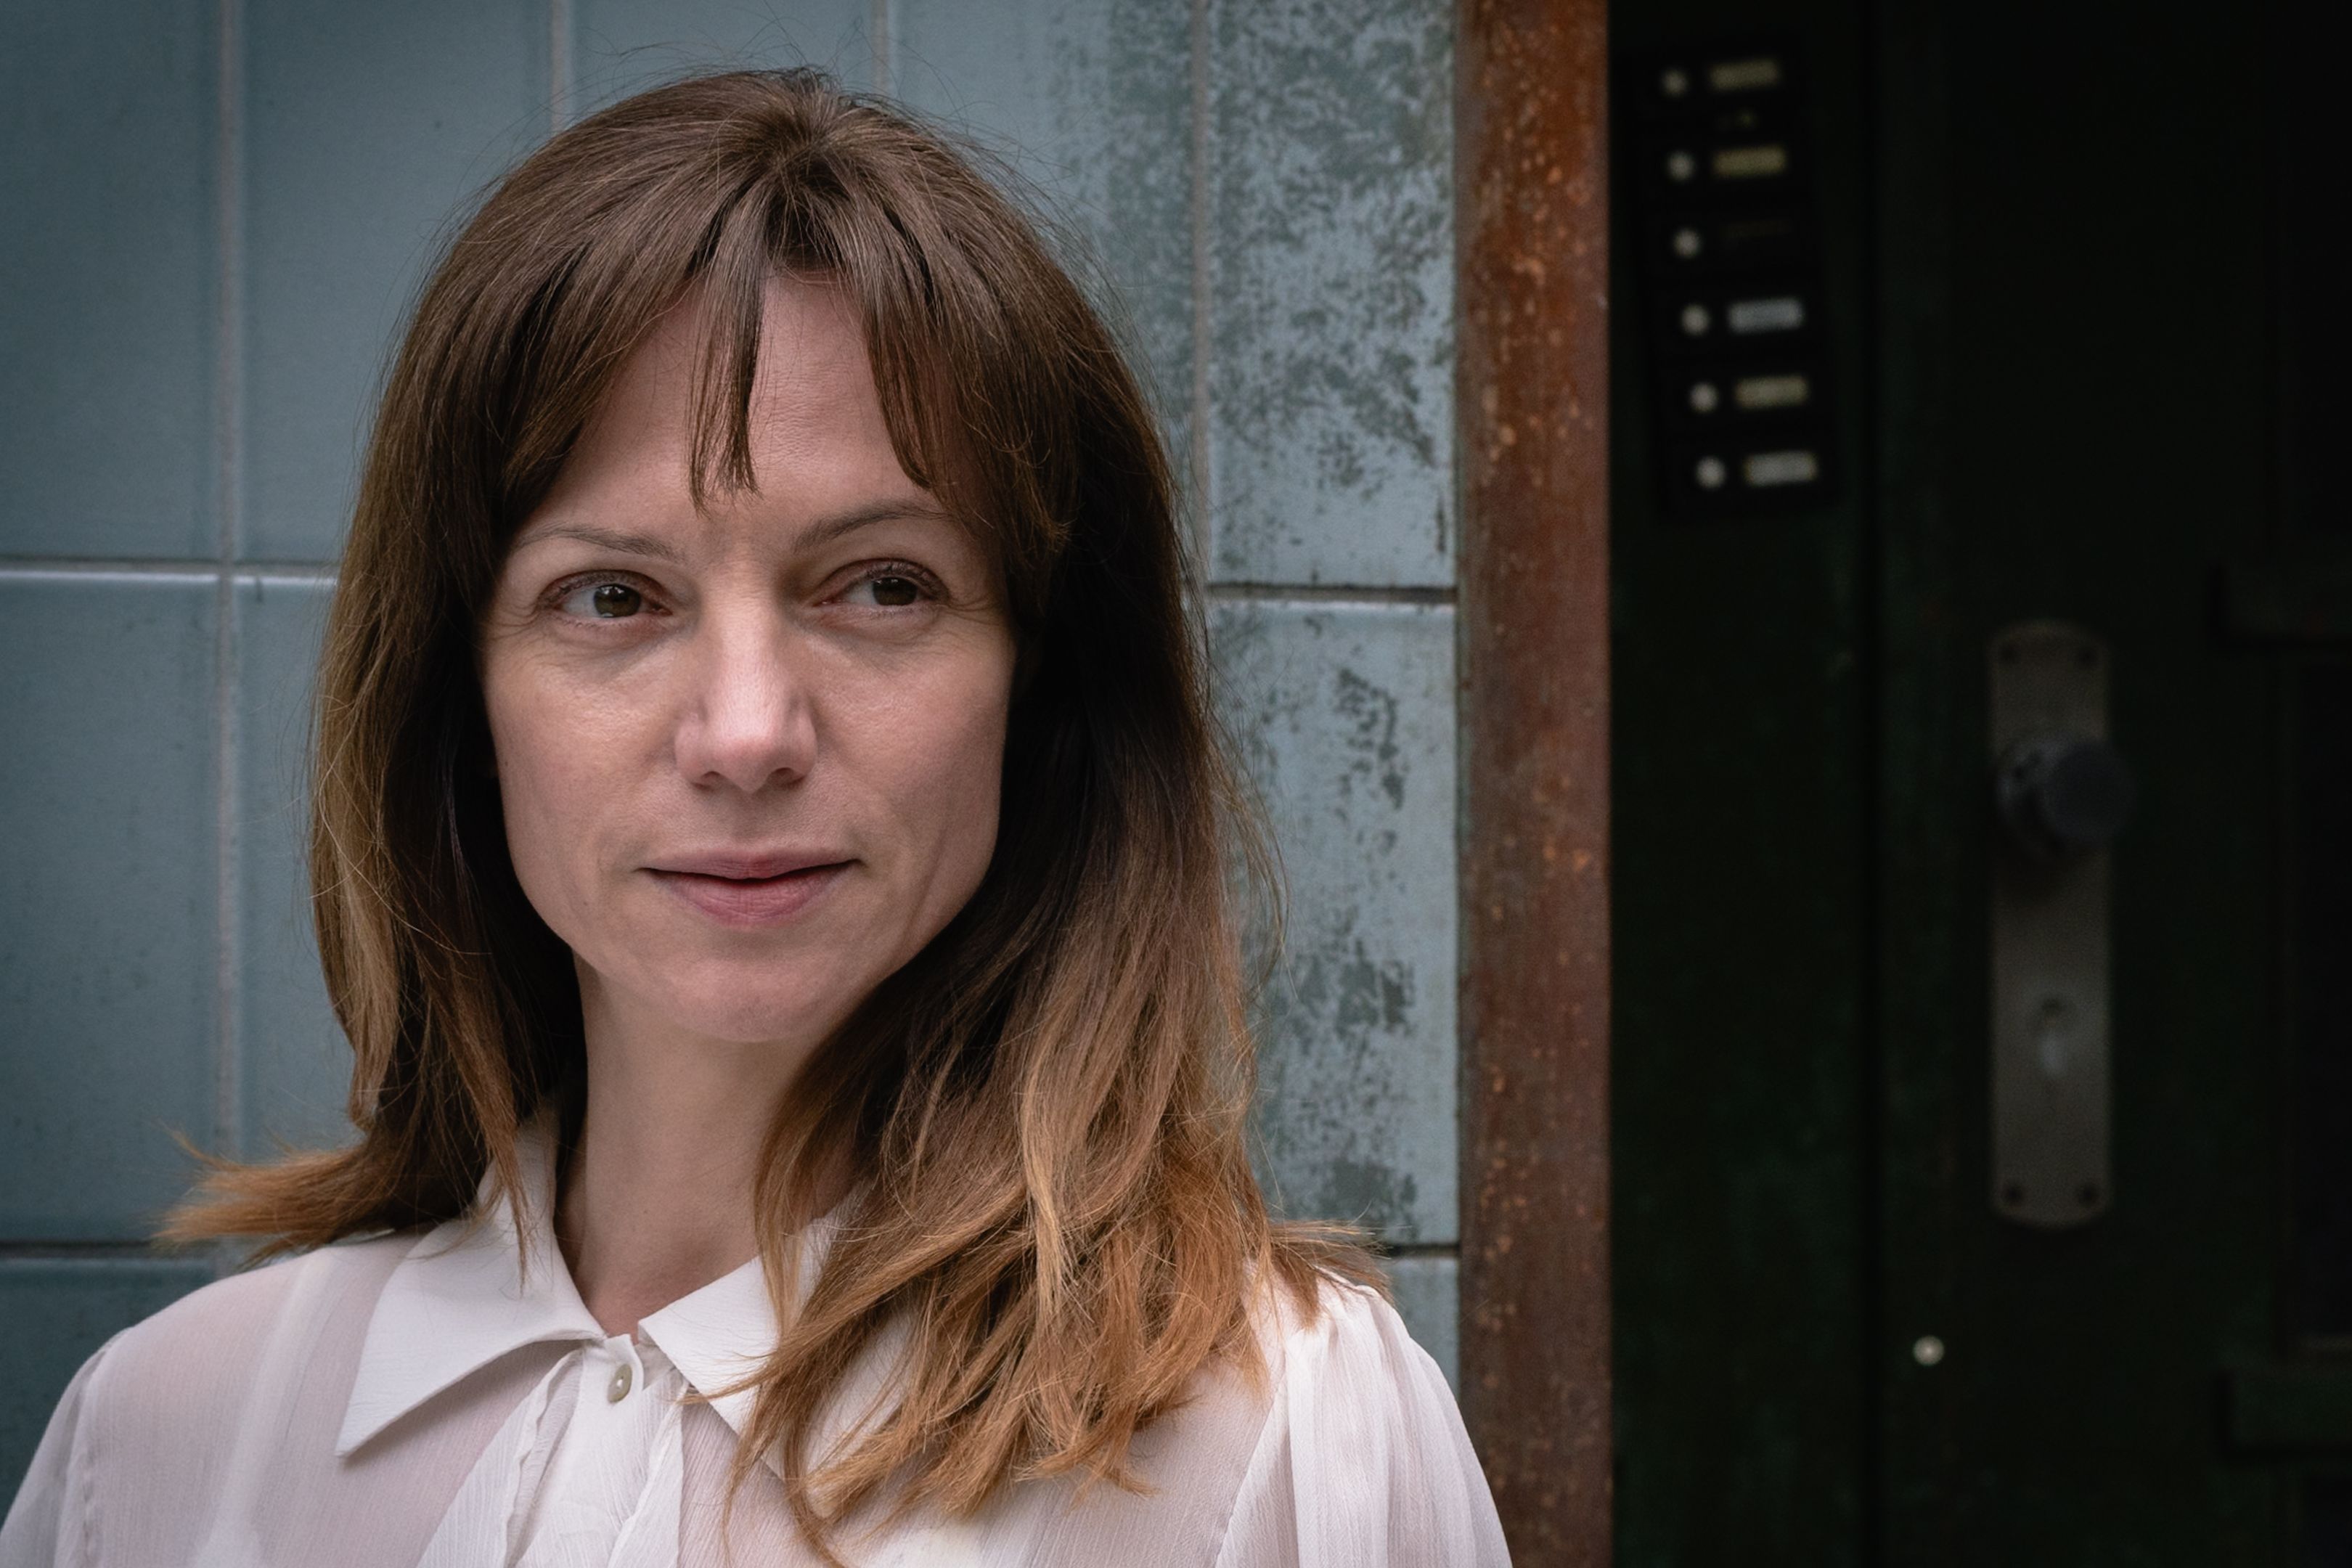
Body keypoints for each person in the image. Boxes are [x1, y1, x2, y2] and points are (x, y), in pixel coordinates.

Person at [0, 68, 1509, 1568]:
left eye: (882, 587)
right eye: (612, 597)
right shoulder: (158, 1439)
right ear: (462, 704)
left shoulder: (1289, 1440)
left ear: (1039, 691)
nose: (744, 735)